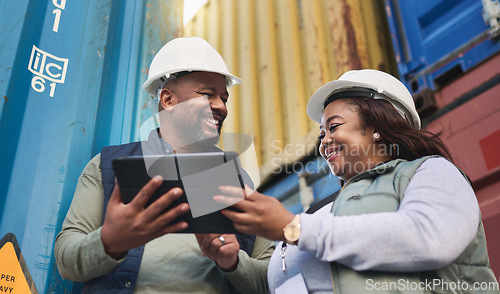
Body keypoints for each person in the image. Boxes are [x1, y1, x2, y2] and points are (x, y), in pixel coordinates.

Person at [216, 69, 499, 293]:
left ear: (377, 124)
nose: (324, 140)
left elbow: (429, 237)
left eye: (334, 126)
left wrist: (293, 227)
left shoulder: (430, 171)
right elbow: (276, 284)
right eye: (321, 134)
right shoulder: (321, 212)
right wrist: (232, 261)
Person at [54, 37, 275, 294]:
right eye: (207, 94)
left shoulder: (237, 180)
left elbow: (271, 280)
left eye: (224, 98)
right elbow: (65, 259)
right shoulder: (108, 167)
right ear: (168, 100)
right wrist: (109, 242)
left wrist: (235, 263)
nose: (221, 106)